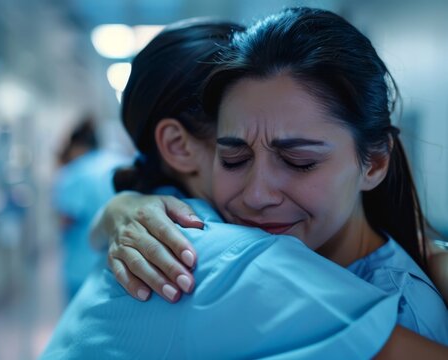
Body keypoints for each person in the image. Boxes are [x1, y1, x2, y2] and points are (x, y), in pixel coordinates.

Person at [42, 16, 448, 359]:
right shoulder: (194, 249)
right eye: (234, 159)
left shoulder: (404, 311)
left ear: (375, 162)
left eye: (299, 162)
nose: (257, 195)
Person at [52, 118, 130, 300]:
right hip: (124, 267)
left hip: (82, 270)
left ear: (75, 147)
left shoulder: (73, 172)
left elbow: (64, 221)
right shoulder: (122, 164)